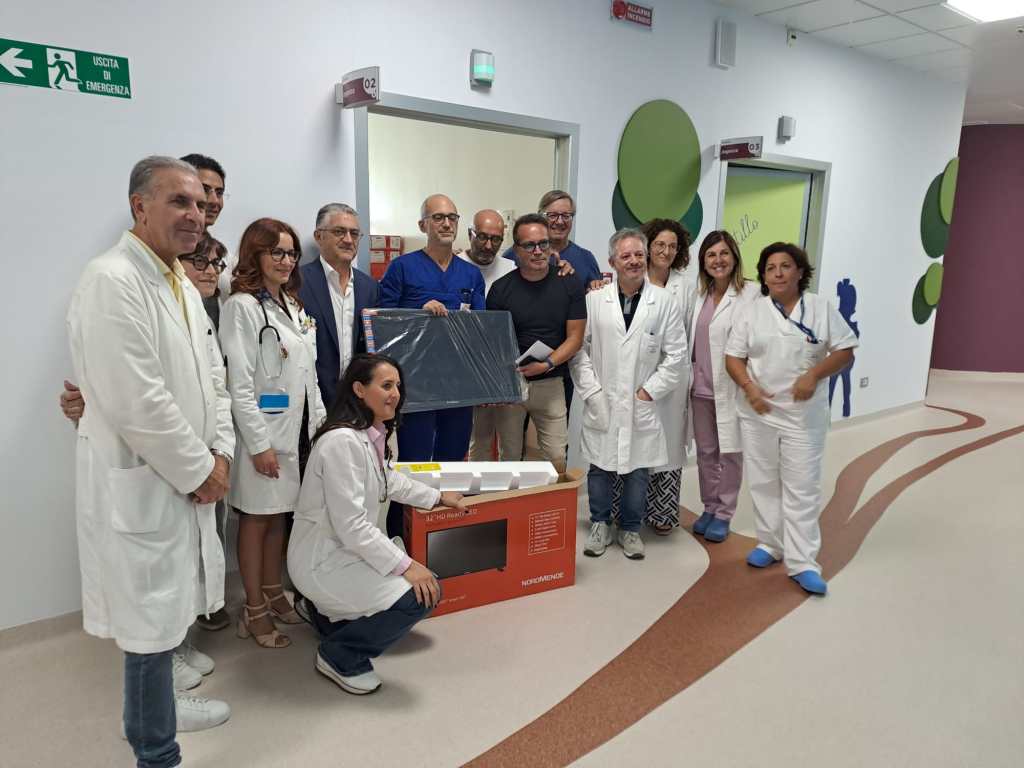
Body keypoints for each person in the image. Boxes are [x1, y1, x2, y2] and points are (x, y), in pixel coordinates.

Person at [67, 156, 234, 765]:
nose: (196, 215)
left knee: (163, 620)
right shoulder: (111, 280)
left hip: (182, 477)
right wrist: (201, 470)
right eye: (179, 201)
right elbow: (138, 400)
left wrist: (221, 451)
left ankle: (158, 726)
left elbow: (213, 380)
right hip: (149, 479)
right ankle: (156, 753)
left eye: (201, 204)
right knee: (148, 630)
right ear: (140, 206)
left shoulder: (179, 283)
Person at [288, 354, 466, 694]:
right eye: (386, 385)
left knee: (406, 576)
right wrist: (408, 566)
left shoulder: (364, 436)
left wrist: (438, 498)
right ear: (359, 389)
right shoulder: (342, 442)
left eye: (397, 386)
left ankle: (326, 618)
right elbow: (352, 526)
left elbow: (388, 481)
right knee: (423, 594)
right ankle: (340, 655)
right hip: (321, 561)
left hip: (339, 552)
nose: (395, 393)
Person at [725, 242, 858, 595]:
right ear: (764, 277)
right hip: (759, 412)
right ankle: (770, 543)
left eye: (785, 266)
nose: (778, 273)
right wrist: (749, 388)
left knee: (802, 487)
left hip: (802, 416)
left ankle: (803, 563)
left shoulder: (820, 308)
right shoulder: (752, 312)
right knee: (763, 482)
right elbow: (733, 357)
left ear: (800, 272)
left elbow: (845, 349)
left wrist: (813, 375)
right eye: (770, 268)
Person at [220, 218, 326, 648]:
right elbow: (239, 383)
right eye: (276, 252)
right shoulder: (242, 307)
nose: (286, 261)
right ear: (256, 254)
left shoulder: (292, 305)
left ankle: (274, 593)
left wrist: (320, 424)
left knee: (281, 513)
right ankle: (254, 610)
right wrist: (259, 444)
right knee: (257, 517)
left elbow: (308, 374)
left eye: (291, 253)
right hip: (263, 432)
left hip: (297, 429)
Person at [572, 228, 686, 561]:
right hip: (603, 398)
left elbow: (677, 355)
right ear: (612, 262)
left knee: (638, 469)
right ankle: (599, 523)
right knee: (599, 466)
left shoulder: (663, 302)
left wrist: (650, 391)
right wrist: (592, 391)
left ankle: (631, 528)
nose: (634, 261)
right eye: (626, 256)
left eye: (639, 254)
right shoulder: (595, 300)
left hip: (641, 401)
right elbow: (579, 351)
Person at [378, 194, 484, 535]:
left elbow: (480, 330)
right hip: (416, 386)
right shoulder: (402, 268)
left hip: (458, 386)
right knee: (414, 465)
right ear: (423, 224)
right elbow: (383, 322)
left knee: (452, 463)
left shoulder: (471, 275)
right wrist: (418, 314)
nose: (446, 223)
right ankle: (402, 535)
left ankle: (445, 534)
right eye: (438, 217)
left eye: (452, 217)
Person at [480, 214, 586, 470]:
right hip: (512, 384)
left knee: (557, 456)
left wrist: (547, 363)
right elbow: (493, 343)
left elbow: (575, 337)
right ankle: (513, 498)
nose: (538, 251)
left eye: (543, 243)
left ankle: (551, 499)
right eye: (529, 245)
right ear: (516, 250)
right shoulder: (500, 289)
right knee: (509, 457)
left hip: (552, 381)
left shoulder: (569, 283)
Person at [688, 231, 760, 544]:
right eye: (711, 255)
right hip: (700, 388)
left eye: (724, 253)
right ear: (703, 262)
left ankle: (724, 513)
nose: (718, 260)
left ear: (734, 257)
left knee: (730, 452)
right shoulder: (698, 296)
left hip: (731, 388)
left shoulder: (752, 294)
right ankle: (709, 506)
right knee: (706, 453)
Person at [632, 218, 694, 534]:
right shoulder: (633, 280)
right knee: (636, 444)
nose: (666, 251)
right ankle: (630, 512)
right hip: (638, 375)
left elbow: (689, 333)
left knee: (668, 447)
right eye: (659, 244)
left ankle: (662, 513)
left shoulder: (687, 286)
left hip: (673, 378)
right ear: (648, 246)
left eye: (672, 246)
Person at [300, 203, 380, 410]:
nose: (348, 240)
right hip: (311, 401)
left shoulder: (369, 287)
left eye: (354, 233)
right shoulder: (297, 283)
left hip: (356, 402)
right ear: (319, 236)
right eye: (339, 232)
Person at [502, 190, 603, 288]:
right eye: (553, 215)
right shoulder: (514, 255)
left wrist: (596, 287)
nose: (560, 222)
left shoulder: (586, 258)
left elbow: (595, 293)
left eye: (566, 216)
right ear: (540, 216)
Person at [178, 153, 235, 306]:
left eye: (219, 193)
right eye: (205, 190)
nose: (215, 201)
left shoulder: (223, 257)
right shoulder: (164, 254)